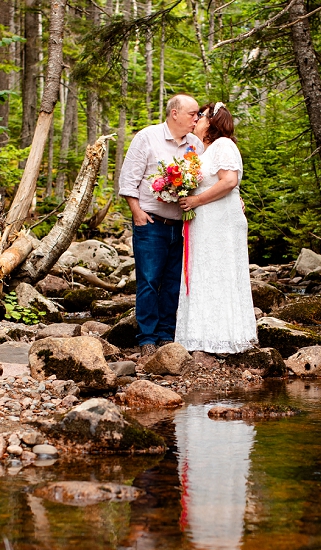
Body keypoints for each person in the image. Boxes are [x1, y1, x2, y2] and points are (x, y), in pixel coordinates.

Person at [119, 94, 204, 357]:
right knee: (148, 280)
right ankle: (146, 337)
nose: (197, 119)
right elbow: (128, 179)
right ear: (174, 113)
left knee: (172, 282)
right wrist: (136, 212)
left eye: (198, 114)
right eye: (193, 114)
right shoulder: (147, 137)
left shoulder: (196, 145)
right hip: (151, 222)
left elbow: (207, 180)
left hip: (182, 225)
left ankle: (167, 334)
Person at [175, 102, 257, 354]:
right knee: (203, 272)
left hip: (220, 222)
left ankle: (224, 336)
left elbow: (230, 180)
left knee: (219, 272)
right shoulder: (202, 151)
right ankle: (199, 335)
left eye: (201, 115)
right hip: (204, 222)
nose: (197, 119)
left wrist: (196, 200)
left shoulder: (223, 145)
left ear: (212, 122)